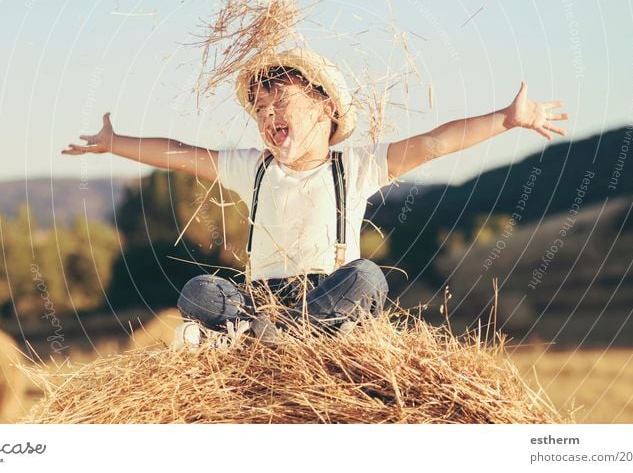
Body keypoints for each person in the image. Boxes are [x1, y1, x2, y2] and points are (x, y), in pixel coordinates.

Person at [62, 48, 568, 346]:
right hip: (262, 302)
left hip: (326, 298)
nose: (266, 115)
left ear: (325, 108)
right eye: (259, 108)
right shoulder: (252, 170)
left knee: (368, 276)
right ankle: (251, 332)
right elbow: (179, 153)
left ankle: (282, 339)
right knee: (198, 289)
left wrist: (507, 119)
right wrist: (115, 143)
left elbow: (435, 143)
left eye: (279, 101)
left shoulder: (357, 167)